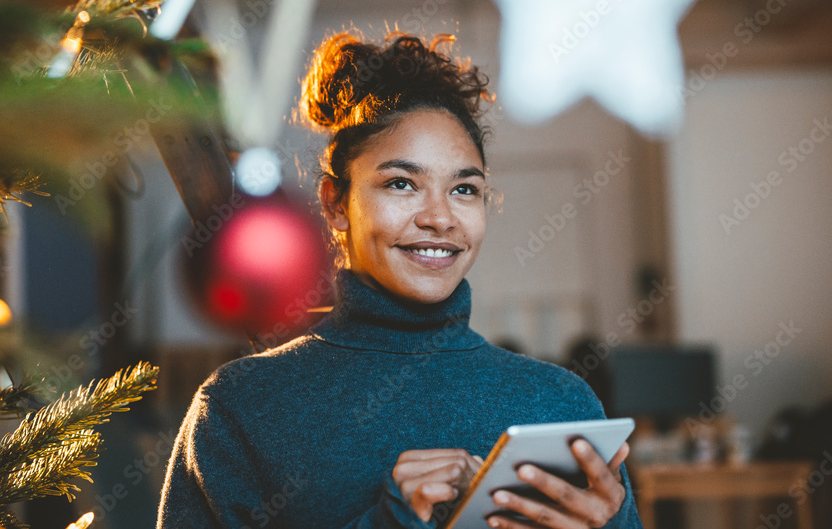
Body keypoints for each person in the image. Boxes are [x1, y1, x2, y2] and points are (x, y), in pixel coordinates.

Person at [157, 31, 643, 528]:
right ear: (335, 203)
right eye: (401, 183)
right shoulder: (242, 406)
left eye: (464, 189)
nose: (440, 218)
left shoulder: (559, 403)